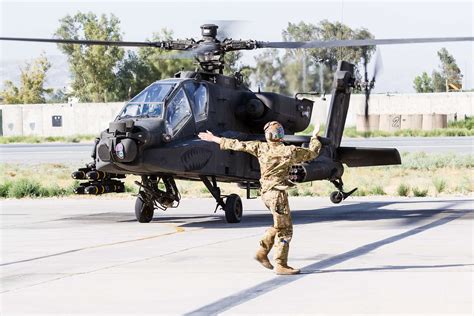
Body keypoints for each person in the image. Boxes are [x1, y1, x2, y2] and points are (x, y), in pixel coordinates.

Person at [198, 121, 322, 275]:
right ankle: (279, 263)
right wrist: (315, 136)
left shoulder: (260, 147)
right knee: (285, 230)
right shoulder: (289, 151)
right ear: (281, 135)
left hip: (266, 193)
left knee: (279, 225)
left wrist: (214, 139)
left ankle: (263, 253)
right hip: (277, 194)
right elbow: (312, 153)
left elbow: (237, 144)